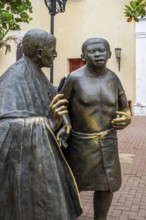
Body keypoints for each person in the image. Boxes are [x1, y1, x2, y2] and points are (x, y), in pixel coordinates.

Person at [0, 28, 82, 220]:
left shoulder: (36, 72)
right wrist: (48, 123)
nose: (55, 54)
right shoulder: (14, 77)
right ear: (39, 53)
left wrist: (65, 123)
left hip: (41, 161)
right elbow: (5, 126)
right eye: (52, 50)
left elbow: (54, 99)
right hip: (25, 171)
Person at [60, 38, 131, 220]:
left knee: (107, 185)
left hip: (107, 141)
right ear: (83, 56)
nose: (98, 54)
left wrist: (127, 117)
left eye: (101, 51)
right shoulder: (74, 78)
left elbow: (124, 108)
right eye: (92, 51)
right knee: (74, 184)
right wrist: (66, 123)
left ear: (108, 54)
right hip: (80, 143)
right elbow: (61, 106)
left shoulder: (113, 78)